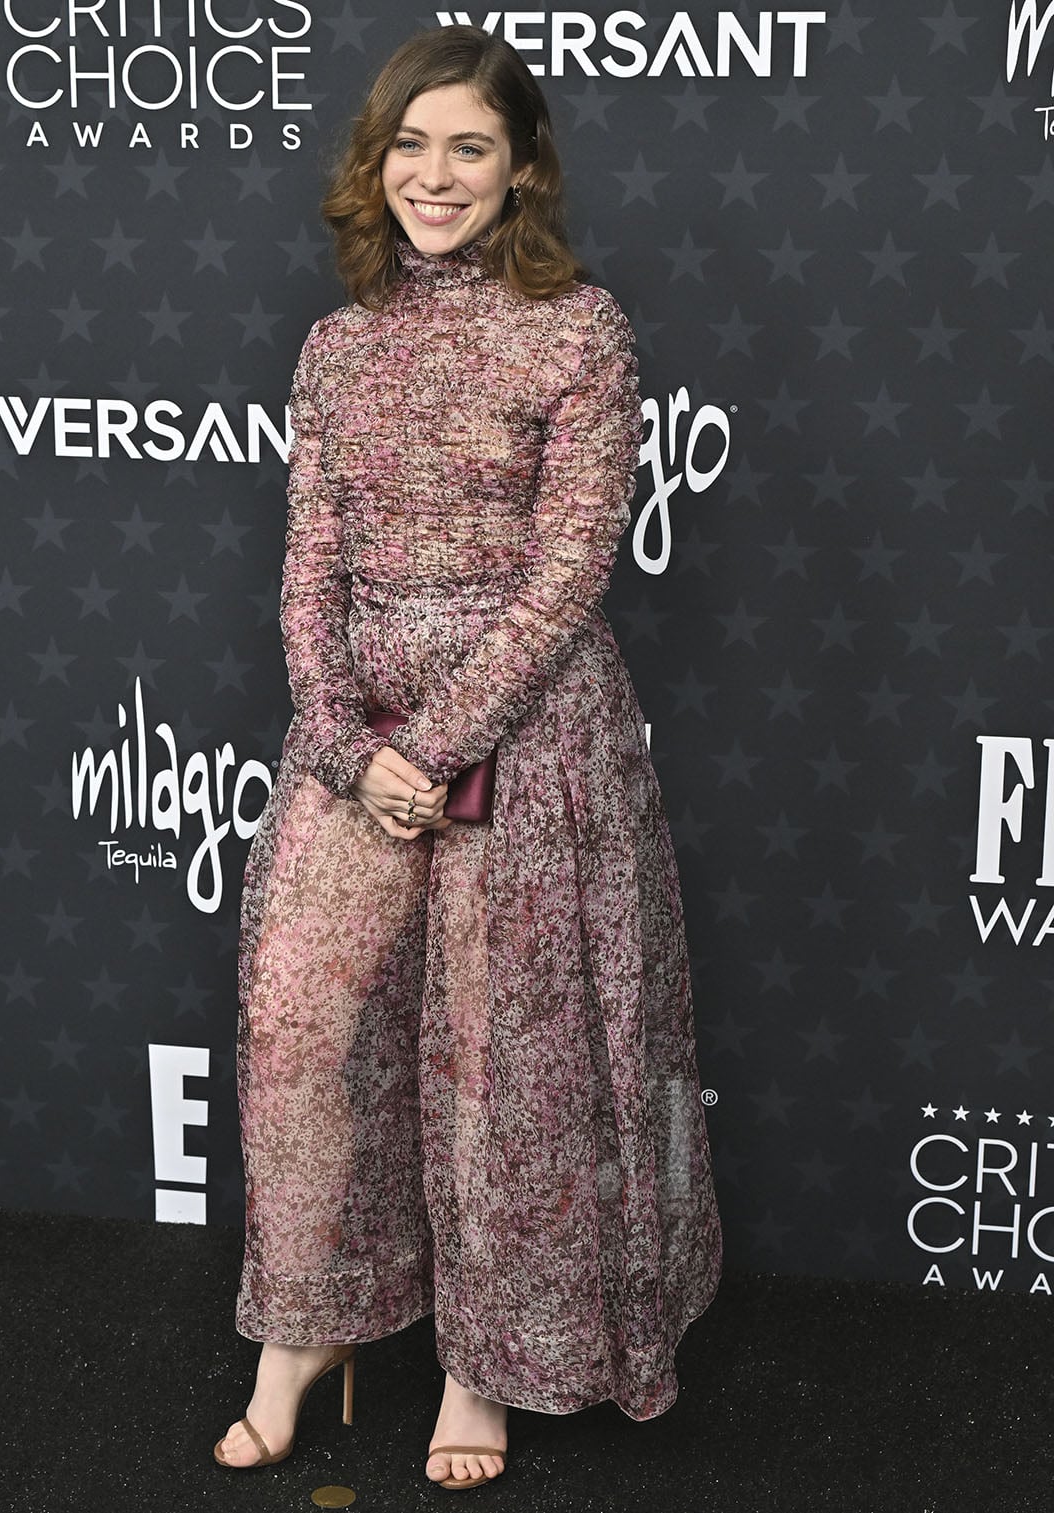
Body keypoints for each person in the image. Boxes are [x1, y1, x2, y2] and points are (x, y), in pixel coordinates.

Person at [214, 23, 723, 1491]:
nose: (436, 175)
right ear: (377, 163)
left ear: (520, 172)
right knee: (305, 1033)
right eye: (413, 144)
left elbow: (571, 571)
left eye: (471, 148)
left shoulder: (580, 330)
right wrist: (342, 736)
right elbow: (307, 569)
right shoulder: (337, 345)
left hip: (529, 731)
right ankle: (303, 1333)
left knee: (503, 1067)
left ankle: (481, 1359)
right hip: (353, 742)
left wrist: (433, 742)